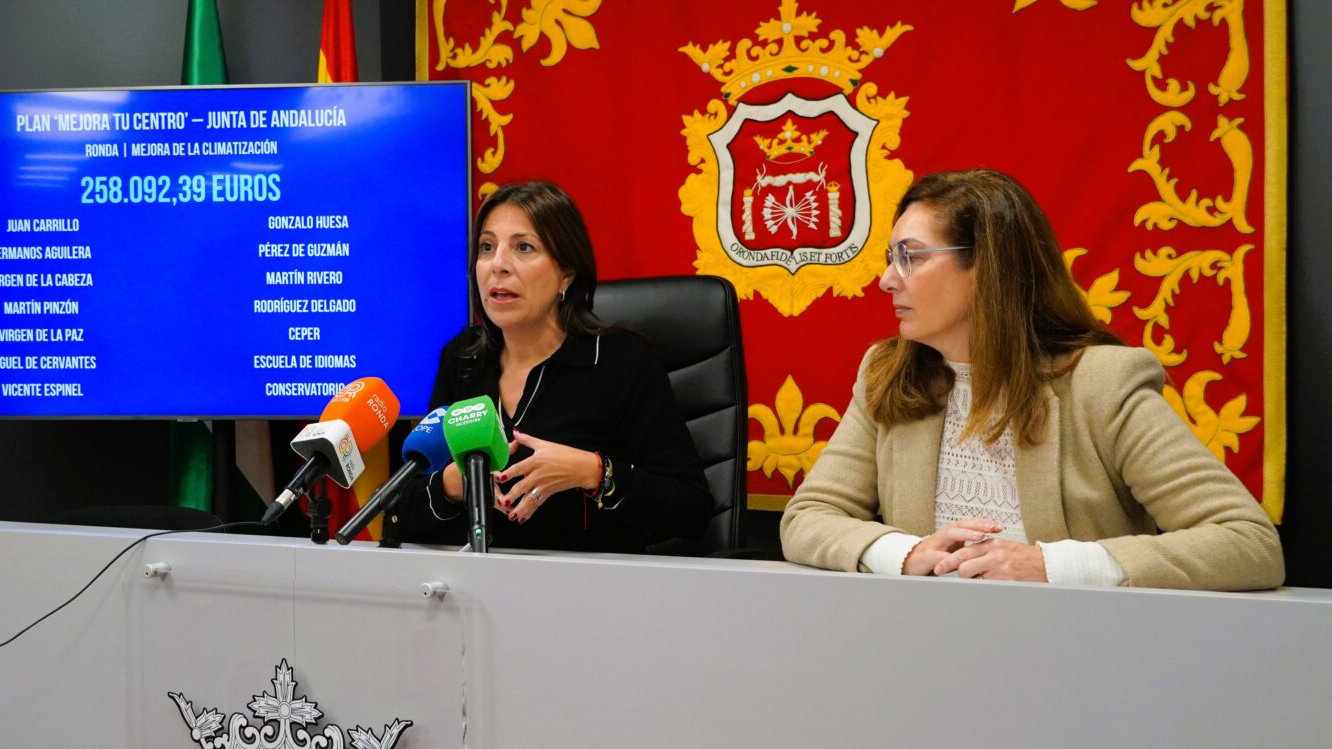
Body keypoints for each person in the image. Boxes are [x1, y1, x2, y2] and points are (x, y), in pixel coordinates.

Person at [780, 168, 1283, 589]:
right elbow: (809, 517)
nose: (887, 279)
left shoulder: (1102, 384)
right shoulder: (890, 373)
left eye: (910, 256)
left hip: (1078, 654)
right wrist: (905, 553)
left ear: (987, 268)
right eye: (891, 258)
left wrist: (1052, 566)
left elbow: (1247, 542)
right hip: (925, 649)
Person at [400, 179, 714, 553]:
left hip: (592, 582)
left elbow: (691, 509)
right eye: (487, 247)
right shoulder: (463, 359)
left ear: (567, 273)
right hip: (481, 582)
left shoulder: (621, 362)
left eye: (524, 247)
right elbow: (403, 513)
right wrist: (453, 484)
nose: (498, 265)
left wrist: (593, 472)